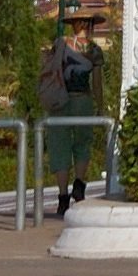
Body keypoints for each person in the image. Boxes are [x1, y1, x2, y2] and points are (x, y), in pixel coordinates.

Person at [40, 18, 99, 216]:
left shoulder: (60, 43)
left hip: (59, 100)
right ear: (88, 26)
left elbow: (48, 67)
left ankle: (63, 196)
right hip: (82, 101)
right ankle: (79, 184)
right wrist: (100, 106)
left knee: (59, 145)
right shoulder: (94, 50)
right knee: (82, 143)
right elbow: (97, 84)